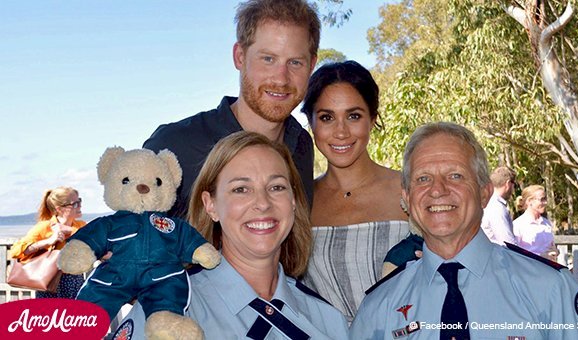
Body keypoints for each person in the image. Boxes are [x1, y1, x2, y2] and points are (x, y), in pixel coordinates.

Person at [350, 122, 578, 339]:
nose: (438, 190)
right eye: (423, 178)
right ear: (406, 198)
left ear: (484, 193)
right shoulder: (379, 308)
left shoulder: (550, 289)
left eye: (455, 176)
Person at [113, 132, 348, 339]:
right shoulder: (166, 311)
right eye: (241, 189)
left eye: (276, 187)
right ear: (211, 205)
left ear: (294, 201)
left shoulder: (328, 320)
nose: (263, 203)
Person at [143, 0, 320, 219]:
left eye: (295, 63)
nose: (281, 79)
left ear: (311, 65)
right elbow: (129, 242)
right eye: (268, 59)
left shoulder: (301, 146)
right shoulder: (175, 145)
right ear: (239, 56)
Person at [299, 60, 410, 322]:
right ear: (311, 123)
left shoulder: (411, 190)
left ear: (373, 118)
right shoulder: (299, 202)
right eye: (327, 117)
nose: (340, 132)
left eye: (353, 116)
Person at [9, 187, 86, 299]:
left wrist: (68, 230)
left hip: (75, 282)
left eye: (80, 201)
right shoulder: (44, 227)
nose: (79, 206)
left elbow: (93, 240)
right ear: (59, 209)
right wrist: (48, 241)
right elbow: (16, 251)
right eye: (75, 203)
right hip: (49, 282)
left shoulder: (81, 226)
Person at [513, 184, 558, 259]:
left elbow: (550, 247)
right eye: (542, 199)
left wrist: (555, 251)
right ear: (529, 201)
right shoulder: (518, 225)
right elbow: (515, 254)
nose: (545, 203)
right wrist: (540, 256)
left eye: (545, 199)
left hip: (547, 268)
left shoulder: (546, 223)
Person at [480, 166, 517, 246]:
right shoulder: (497, 207)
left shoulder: (487, 201)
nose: (514, 189)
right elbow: (508, 243)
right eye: (514, 184)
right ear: (508, 184)